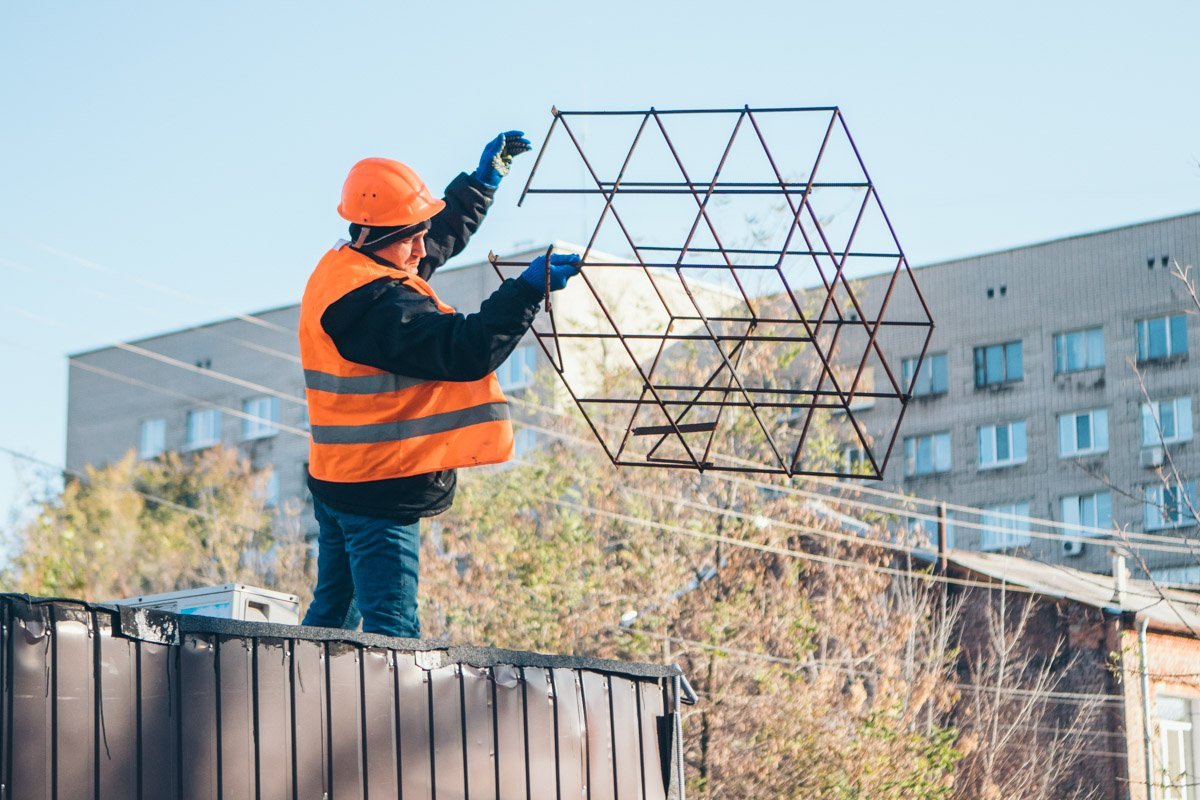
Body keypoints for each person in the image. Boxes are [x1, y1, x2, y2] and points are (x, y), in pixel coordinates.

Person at [297, 131, 582, 637]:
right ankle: (384, 717)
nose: (421, 247)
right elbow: (466, 350)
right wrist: (523, 292)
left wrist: (479, 185)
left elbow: (430, 239)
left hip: (342, 478)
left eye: (420, 230)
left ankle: (300, 704)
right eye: (410, 236)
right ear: (373, 235)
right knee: (392, 632)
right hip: (376, 486)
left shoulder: (350, 267)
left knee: (330, 623)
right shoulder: (372, 307)